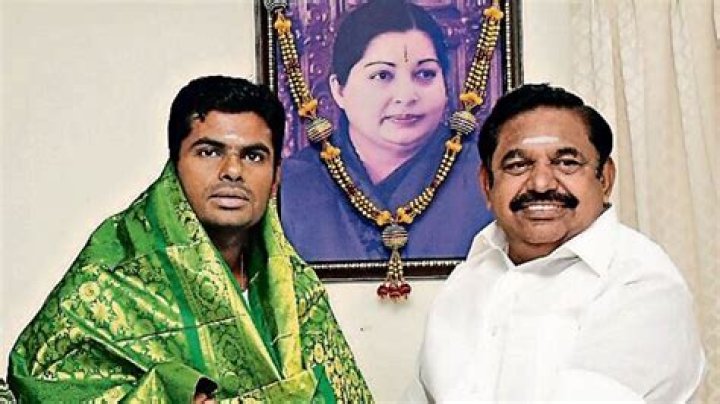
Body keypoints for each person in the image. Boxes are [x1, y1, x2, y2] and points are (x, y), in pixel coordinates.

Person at [7, 76, 373, 402]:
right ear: (174, 168)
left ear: (276, 176)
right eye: (209, 152)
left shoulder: (297, 290)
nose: (233, 171)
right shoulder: (110, 279)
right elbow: (38, 388)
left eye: (253, 156)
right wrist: (166, 392)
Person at [410, 84, 705, 402]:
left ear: (604, 179)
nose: (541, 183)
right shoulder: (467, 280)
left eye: (566, 162)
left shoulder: (641, 283)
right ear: (486, 184)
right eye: (517, 165)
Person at [280, 0, 493, 262]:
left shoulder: (485, 175)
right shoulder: (291, 183)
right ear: (339, 90)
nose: (406, 96)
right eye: (382, 75)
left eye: (425, 74)